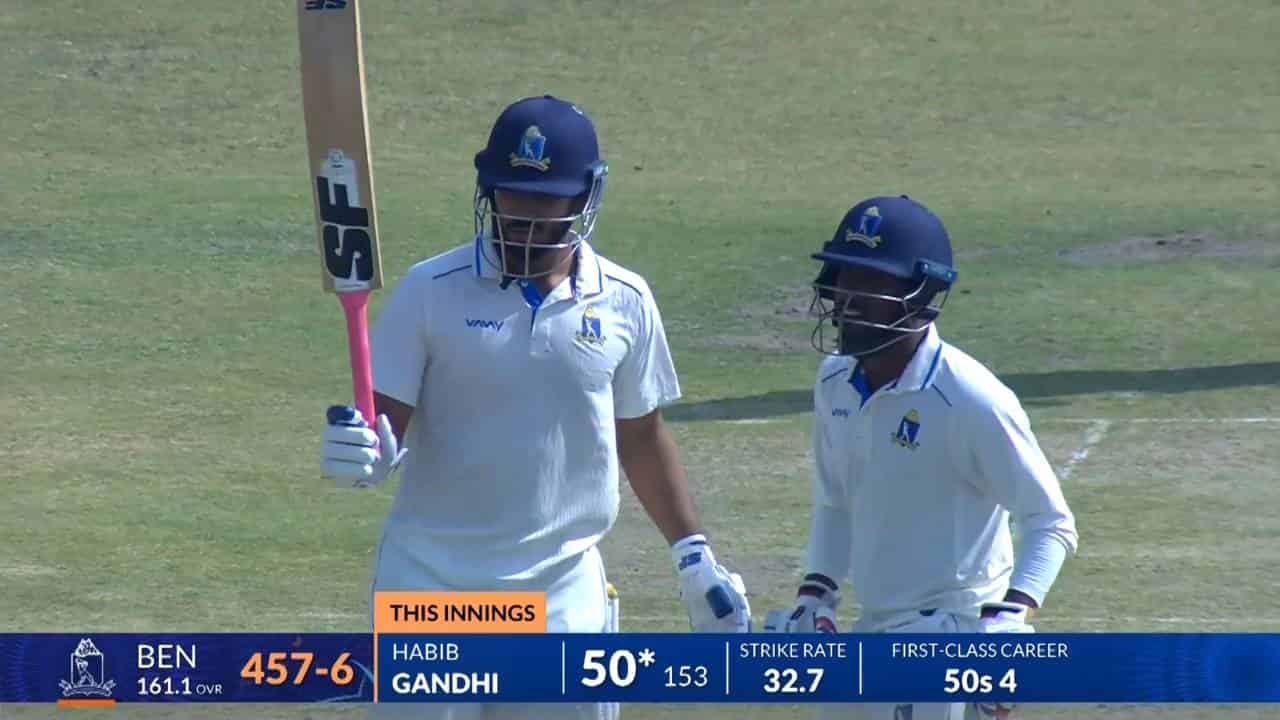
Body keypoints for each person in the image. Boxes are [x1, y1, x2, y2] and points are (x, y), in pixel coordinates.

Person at [319, 95, 750, 719]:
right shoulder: (429, 291)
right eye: (511, 194)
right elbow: (386, 428)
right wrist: (365, 454)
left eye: (545, 200)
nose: (522, 215)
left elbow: (640, 436)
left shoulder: (625, 300)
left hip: (559, 589)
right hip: (432, 583)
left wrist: (693, 556)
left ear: (586, 196)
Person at [767, 195, 1078, 720]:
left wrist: (1009, 619)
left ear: (922, 296)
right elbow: (836, 503)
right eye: (845, 277)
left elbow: (1051, 522)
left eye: (871, 282)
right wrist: (815, 595)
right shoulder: (835, 382)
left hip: (949, 637)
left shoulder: (971, 400)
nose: (848, 298)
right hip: (872, 631)